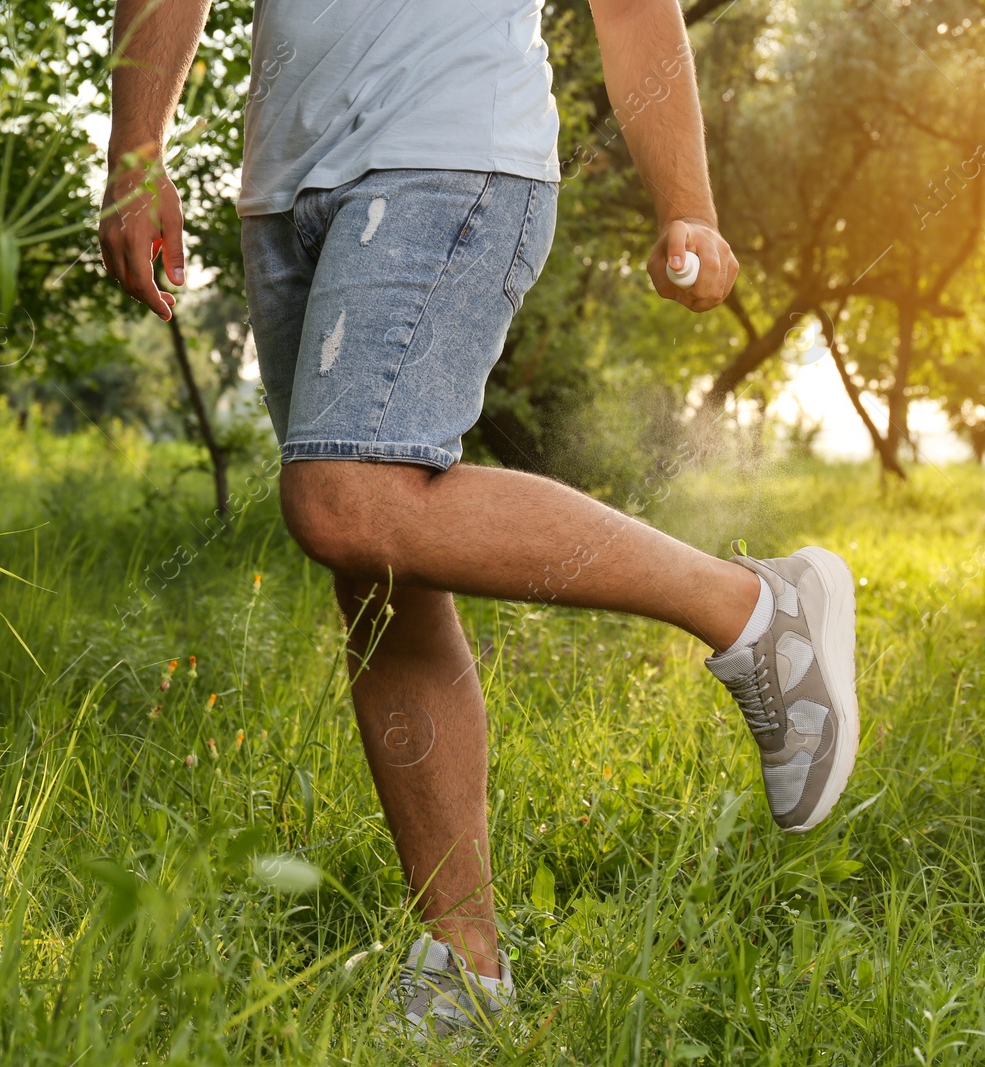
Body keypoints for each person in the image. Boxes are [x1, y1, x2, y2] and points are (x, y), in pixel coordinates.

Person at [98, 0, 859, 1039]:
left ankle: (750, 605)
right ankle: (465, 967)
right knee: (377, 571)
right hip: (284, 183)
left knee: (343, 496)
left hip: (448, 147)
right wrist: (135, 153)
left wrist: (687, 199)